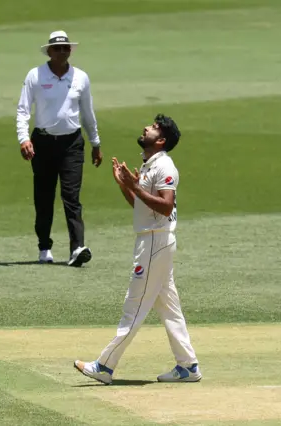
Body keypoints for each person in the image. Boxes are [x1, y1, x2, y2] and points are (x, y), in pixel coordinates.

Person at [74, 114, 201, 384]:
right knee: (168, 307)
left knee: (134, 305)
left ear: (161, 140)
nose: (147, 128)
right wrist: (125, 185)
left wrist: (133, 185)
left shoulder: (165, 166)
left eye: (154, 128)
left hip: (155, 241)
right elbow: (142, 206)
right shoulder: (149, 165)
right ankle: (188, 366)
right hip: (153, 240)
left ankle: (105, 366)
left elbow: (165, 207)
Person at [16, 30, 103, 267]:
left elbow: (87, 113)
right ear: (50, 51)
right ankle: (44, 246)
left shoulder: (80, 78)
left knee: (71, 197)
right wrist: (24, 139)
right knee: (44, 197)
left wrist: (95, 142)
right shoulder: (35, 75)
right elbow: (23, 110)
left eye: (66, 48)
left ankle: (77, 248)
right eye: (58, 48)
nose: (63, 51)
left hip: (72, 144)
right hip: (42, 143)